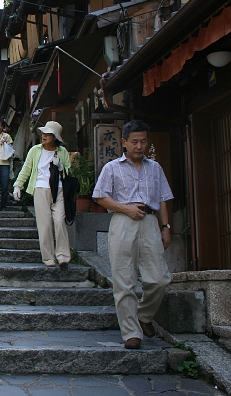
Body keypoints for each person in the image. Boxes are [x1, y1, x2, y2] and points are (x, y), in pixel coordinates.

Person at [92, 120, 172, 350]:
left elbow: (164, 199)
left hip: (149, 221)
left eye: (143, 141)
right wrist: (126, 209)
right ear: (124, 142)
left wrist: (165, 228)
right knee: (124, 280)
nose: (139, 146)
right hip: (123, 220)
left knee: (159, 278)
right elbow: (100, 197)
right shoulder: (112, 168)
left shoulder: (155, 168)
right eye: (134, 142)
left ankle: (143, 315)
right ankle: (131, 332)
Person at [13, 121, 71, 267]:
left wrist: (61, 167)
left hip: (58, 189)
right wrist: (18, 185)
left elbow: (69, 172)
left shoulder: (62, 151)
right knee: (44, 225)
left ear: (55, 137)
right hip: (40, 188)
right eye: (43, 133)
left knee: (59, 221)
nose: (44, 136)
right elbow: (26, 169)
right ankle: (48, 257)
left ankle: (63, 255)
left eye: (48, 134)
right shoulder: (35, 150)